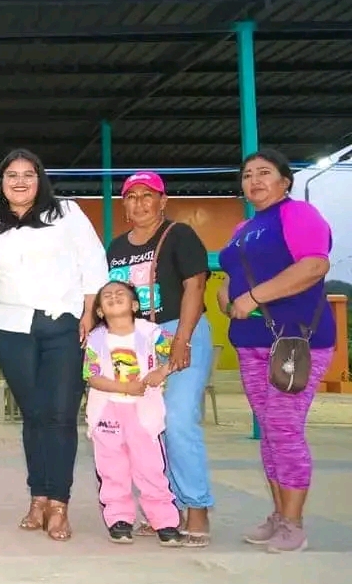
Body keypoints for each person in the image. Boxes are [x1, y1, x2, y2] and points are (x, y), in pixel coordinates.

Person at [0, 148, 108, 542]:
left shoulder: (67, 213)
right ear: (1, 183)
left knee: (60, 414)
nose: (20, 182)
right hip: (10, 327)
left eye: (28, 174)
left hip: (63, 325)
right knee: (33, 415)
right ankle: (38, 497)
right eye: (11, 175)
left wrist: (90, 312)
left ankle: (59, 503)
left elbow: (93, 262)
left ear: (40, 180)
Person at [217, 148, 335, 554]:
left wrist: (252, 297)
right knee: (270, 431)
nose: (254, 180)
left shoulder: (298, 214)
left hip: (294, 339)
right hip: (250, 340)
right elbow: (231, 273)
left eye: (264, 172)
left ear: (285, 181)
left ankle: (295, 524)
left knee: (285, 428)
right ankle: (279, 515)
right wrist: (227, 294)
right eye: (247, 174)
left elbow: (314, 266)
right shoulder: (243, 227)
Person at [106, 171, 215, 546]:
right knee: (146, 427)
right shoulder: (116, 247)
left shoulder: (179, 235)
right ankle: (164, 510)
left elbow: (195, 286)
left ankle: (196, 506)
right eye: (131, 196)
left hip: (179, 331)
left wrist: (182, 339)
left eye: (147, 195)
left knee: (179, 418)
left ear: (162, 200)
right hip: (137, 341)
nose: (139, 203)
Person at [83, 281, 186, 547]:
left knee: (150, 467)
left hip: (144, 412)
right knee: (111, 467)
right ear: (100, 311)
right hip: (107, 410)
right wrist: (125, 388)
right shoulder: (96, 338)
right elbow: (92, 377)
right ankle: (119, 518)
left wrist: (161, 372)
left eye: (120, 294)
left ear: (135, 305)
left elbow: (179, 354)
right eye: (106, 296)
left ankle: (164, 520)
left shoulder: (151, 333)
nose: (113, 297)